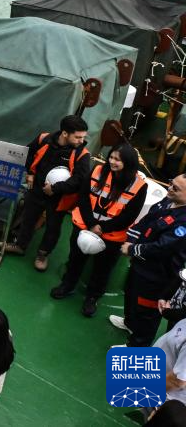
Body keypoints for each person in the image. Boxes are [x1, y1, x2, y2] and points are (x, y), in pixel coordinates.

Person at [51, 142, 147, 317]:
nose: (112, 161)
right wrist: (91, 224)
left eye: (118, 160)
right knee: (75, 259)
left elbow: (130, 215)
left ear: (128, 162)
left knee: (103, 269)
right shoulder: (97, 171)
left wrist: (102, 228)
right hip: (84, 225)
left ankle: (92, 297)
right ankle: (68, 285)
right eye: (111, 157)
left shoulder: (139, 186)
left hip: (112, 235)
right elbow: (83, 197)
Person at [2, 114, 91, 272]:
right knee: (28, 218)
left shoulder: (82, 154)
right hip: (36, 189)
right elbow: (28, 153)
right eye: (78, 137)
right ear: (65, 133)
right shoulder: (44, 139)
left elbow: (79, 180)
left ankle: (43, 255)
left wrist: (55, 189)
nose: (81, 141)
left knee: (52, 227)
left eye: (83, 137)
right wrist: (30, 172)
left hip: (59, 197)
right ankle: (20, 245)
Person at [111, 174, 186, 347]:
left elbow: (162, 247)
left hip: (156, 275)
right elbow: (147, 220)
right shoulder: (168, 201)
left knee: (147, 312)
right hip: (140, 264)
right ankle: (130, 323)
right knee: (131, 294)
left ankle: (137, 346)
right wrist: (130, 240)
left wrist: (132, 249)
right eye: (171, 183)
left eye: (176, 188)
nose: (169, 189)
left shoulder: (183, 222)